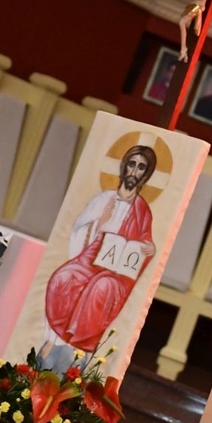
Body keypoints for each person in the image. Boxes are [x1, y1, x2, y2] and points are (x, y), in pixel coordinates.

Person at [38, 145, 157, 372]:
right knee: (64, 277)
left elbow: (143, 247)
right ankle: (52, 345)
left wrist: (148, 250)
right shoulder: (103, 199)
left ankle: (76, 357)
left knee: (101, 287)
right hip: (89, 259)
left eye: (141, 167)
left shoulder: (142, 211)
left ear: (146, 175)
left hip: (115, 274)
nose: (134, 171)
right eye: (132, 164)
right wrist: (100, 222)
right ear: (124, 167)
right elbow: (78, 231)